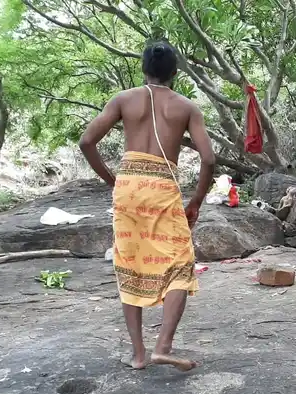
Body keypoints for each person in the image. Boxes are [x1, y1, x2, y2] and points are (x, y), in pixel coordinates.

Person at [79, 41, 215, 371]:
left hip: (128, 187)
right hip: (162, 188)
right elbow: (209, 158)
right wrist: (195, 201)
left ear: (144, 69)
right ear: (176, 72)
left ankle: (139, 354)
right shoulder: (186, 107)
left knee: (130, 263)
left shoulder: (124, 100)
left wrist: (113, 180)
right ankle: (163, 345)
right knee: (180, 264)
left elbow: (86, 142)